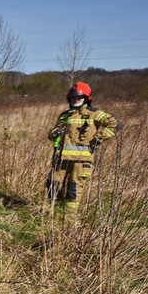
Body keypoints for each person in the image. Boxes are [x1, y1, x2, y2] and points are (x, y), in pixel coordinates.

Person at [47, 82, 119, 212]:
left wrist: (99, 138)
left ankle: (69, 218)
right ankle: (53, 213)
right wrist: (54, 133)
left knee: (73, 189)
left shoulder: (94, 114)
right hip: (61, 158)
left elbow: (115, 124)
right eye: (73, 97)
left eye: (79, 97)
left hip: (81, 160)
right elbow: (53, 135)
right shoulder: (64, 115)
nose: (76, 99)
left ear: (86, 98)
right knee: (53, 186)